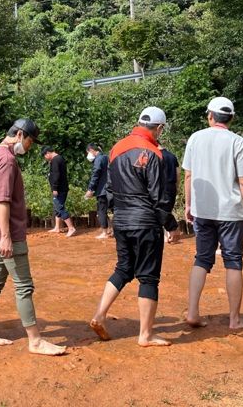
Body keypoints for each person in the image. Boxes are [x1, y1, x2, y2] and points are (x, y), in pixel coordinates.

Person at [90, 107, 180, 346]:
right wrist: (171, 224)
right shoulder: (153, 152)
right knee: (148, 278)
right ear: (159, 128)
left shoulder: (116, 148)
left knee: (123, 268)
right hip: (145, 222)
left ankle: (100, 315)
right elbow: (158, 196)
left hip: (121, 220)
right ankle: (145, 335)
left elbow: (109, 189)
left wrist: (118, 214)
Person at [0, 118, 67, 356]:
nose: (29, 147)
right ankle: (35, 341)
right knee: (24, 286)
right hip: (7, 234)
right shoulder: (7, 160)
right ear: (19, 135)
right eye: (29, 141)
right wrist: (6, 236)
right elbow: (2, 200)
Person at [183, 97, 243, 330]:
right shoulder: (238, 142)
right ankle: (234, 319)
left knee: (202, 259)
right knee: (233, 260)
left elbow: (188, 175)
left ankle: (192, 312)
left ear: (210, 116)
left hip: (202, 210)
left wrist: (188, 205)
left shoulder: (195, 138)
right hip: (231, 212)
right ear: (231, 118)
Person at [42, 146, 76, 237]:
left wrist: (55, 188)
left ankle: (71, 228)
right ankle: (57, 227)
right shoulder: (59, 158)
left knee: (59, 207)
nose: (45, 158)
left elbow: (56, 175)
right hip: (62, 187)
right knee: (57, 207)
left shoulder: (55, 160)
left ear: (48, 153)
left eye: (45, 156)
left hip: (59, 189)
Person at [84, 143, 111, 239]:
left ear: (91, 150)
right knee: (111, 210)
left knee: (101, 211)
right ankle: (110, 229)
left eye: (88, 152)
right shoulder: (106, 157)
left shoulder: (98, 159)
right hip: (110, 188)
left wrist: (91, 189)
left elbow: (95, 174)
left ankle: (104, 232)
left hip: (102, 190)